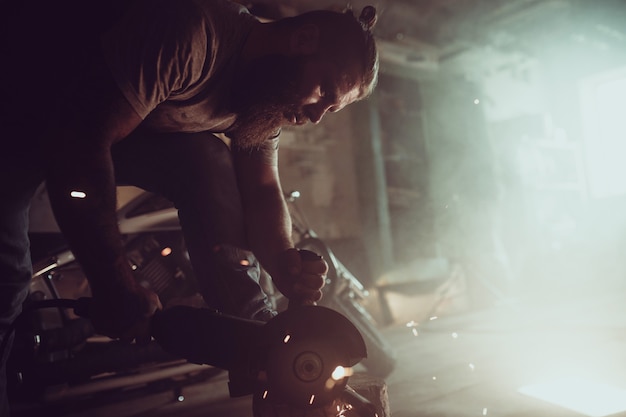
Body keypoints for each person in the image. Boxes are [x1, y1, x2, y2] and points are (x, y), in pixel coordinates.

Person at [0, 0, 379, 414]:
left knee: (206, 160)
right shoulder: (194, 34)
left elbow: (261, 191)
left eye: (331, 108)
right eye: (324, 90)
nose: (317, 115)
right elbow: (80, 146)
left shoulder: (264, 103)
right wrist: (113, 283)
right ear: (303, 40)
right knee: (7, 286)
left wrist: (283, 261)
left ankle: (268, 346)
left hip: (92, 129)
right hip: (21, 120)